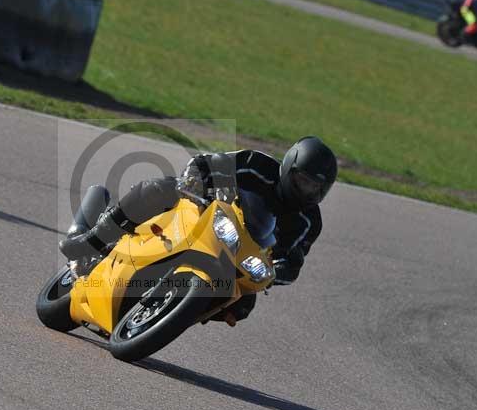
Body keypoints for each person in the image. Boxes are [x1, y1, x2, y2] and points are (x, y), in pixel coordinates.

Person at [59, 136, 338, 325]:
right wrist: (195, 181)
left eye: (315, 187)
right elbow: (207, 161)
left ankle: (170, 315)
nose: (307, 190)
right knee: (159, 188)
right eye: (303, 180)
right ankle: (93, 241)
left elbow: (293, 261)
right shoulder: (257, 164)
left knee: (242, 305)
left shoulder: (309, 222)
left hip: (237, 254)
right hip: (205, 213)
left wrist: (276, 271)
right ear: (290, 167)